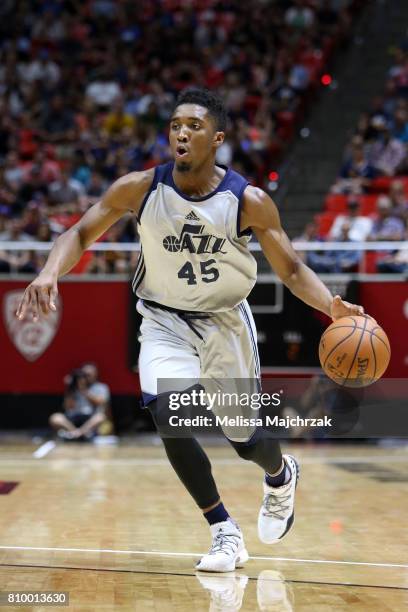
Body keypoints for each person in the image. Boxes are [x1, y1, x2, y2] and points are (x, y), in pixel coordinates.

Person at [16, 88, 366, 573]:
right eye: (176, 124)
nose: (182, 132)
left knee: (245, 440)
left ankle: (281, 475)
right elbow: (78, 232)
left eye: (194, 126)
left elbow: (289, 269)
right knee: (169, 415)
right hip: (162, 319)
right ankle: (224, 530)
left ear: (217, 138)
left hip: (225, 322)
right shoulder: (139, 188)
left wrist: (331, 305)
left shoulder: (249, 201)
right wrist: (51, 270)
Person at [49, 364, 110, 441]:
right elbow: (68, 407)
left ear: (95, 374)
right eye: (83, 375)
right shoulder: (72, 388)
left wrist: (84, 391)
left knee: (100, 417)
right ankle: (76, 433)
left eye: (88, 375)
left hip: (89, 419)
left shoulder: (101, 387)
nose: (85, 378)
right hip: (72, 419)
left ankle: (80, 433)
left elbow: (100, 402)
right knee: (55, 417)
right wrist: (70, 389)